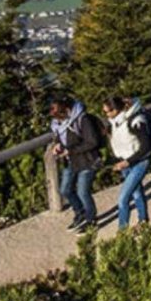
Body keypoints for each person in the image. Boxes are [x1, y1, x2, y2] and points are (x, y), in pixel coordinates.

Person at [48, 97, 103, 232]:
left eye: (60, 116)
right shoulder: (58, 124)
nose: (58, 120)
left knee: (83, 192)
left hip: (88, 161)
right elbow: (62, 138)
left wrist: (70, 151)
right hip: (71, 161)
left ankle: (91, 220)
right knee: (65, 190)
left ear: (66, 110)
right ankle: (80, 213)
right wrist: (58, 146)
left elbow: (92, 142)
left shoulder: (83, 120)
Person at [103, 96, 151, 230]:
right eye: (105, 112)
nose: (107, 115)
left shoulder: (136, 121)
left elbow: (146, 147)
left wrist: (127, 162)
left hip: (139, 162)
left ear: (117, 109)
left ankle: (122, 231)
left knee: (123, 198)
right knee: (137, 193)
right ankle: (144, 221)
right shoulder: (114, 123)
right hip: (125, 163)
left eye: (109, 111)